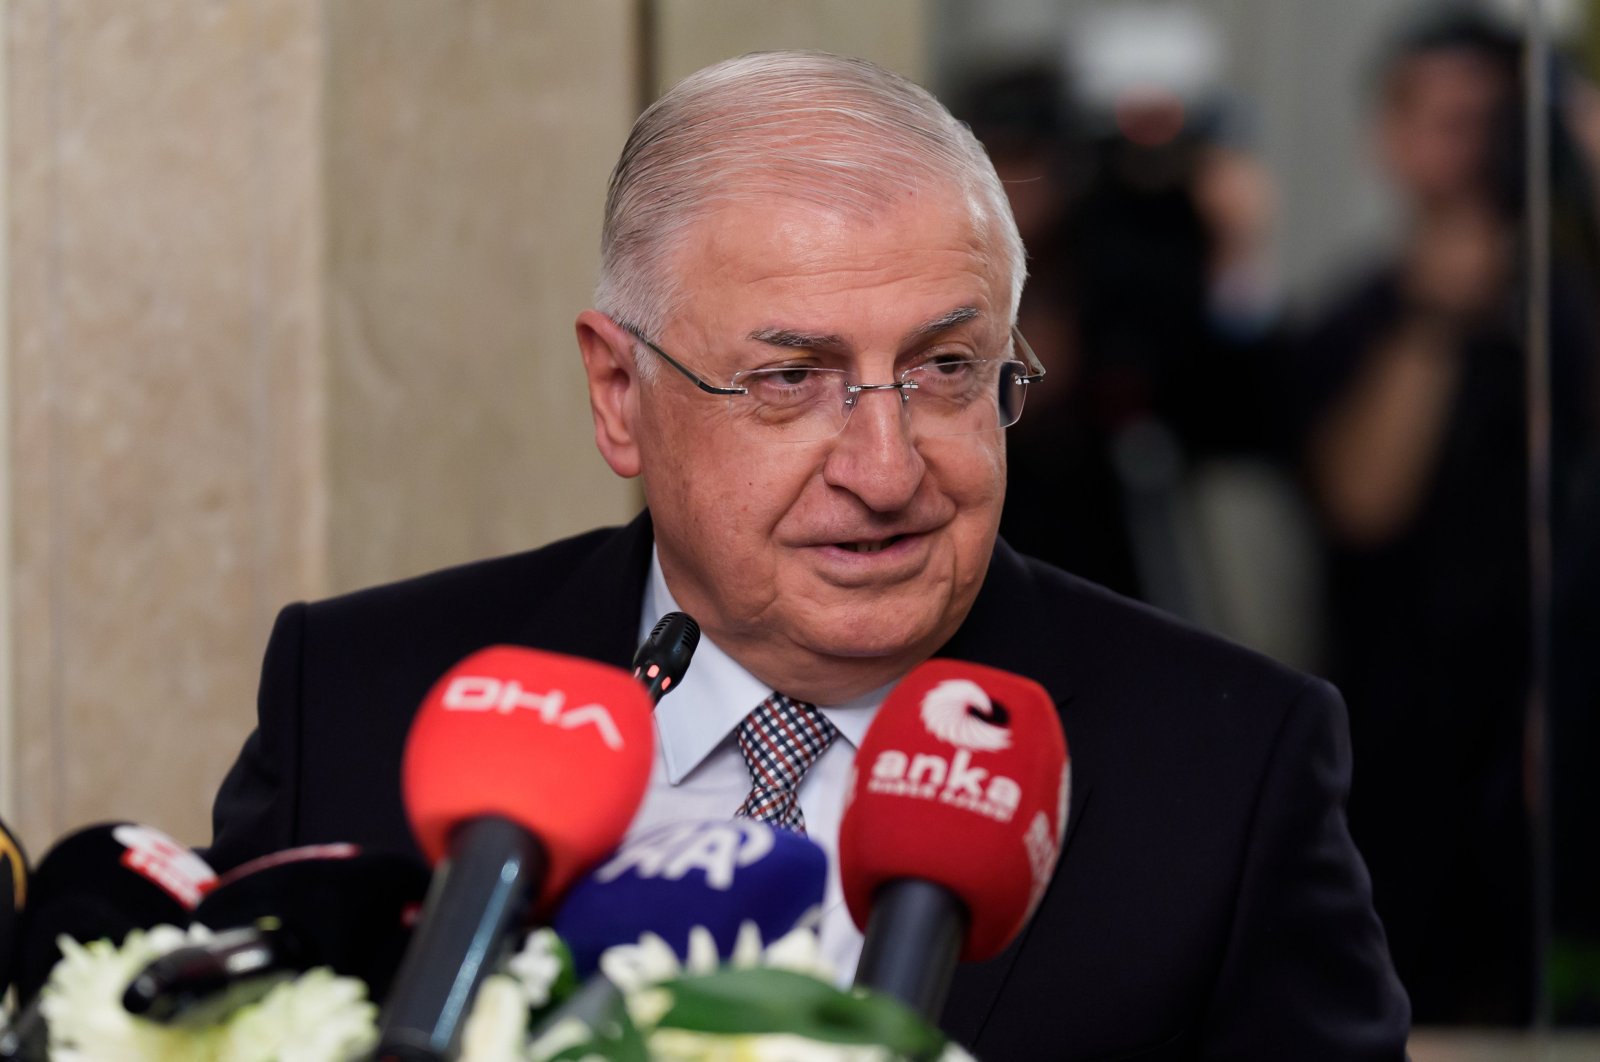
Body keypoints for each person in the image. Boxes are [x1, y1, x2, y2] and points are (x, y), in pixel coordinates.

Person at [210, 51, 1409, 1058]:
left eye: (946, 369)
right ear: (619, 393)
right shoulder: (360, 699)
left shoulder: (1226, 766)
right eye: (789, 379)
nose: (886, 471)